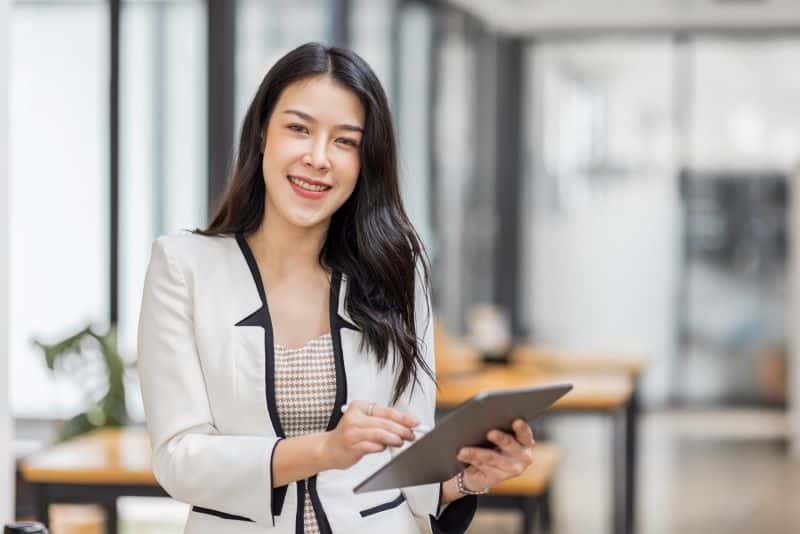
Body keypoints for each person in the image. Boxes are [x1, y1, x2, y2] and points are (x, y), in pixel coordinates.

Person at [136, 42, 536, 534]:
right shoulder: (182, 267)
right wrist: (324, 450)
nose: (319, 158)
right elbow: (179, 458)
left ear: (365, 158)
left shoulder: (396, 266)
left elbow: (409, 455)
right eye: (299, 129)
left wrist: (468, 478)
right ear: (263, 133)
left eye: (345, 141)